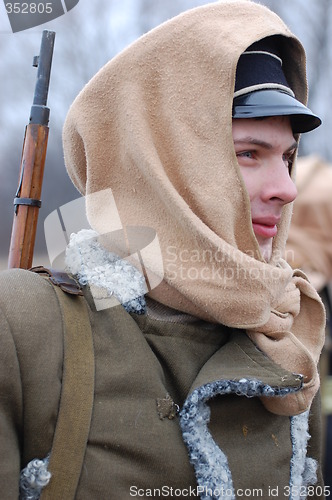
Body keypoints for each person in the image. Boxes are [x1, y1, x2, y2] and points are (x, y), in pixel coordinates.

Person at [0, 1, 327, 498]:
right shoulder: (24, 327)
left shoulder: (289, 337)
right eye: (248, 154)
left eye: (286, 157)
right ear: (163, 166)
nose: (286, 188)